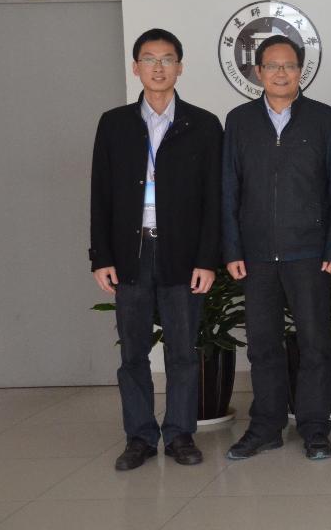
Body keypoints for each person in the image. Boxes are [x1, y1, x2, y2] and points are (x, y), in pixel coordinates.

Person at [90, 28, 222, 471]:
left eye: (167, 59)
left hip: (181, 254)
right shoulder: (115, 124)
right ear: (136, 67)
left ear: (180, 67)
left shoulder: (203, 124)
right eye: (149, 59)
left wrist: (207, 259)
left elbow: (214, 199)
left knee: (182, 351)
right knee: (133, 352)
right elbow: (100, 194)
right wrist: (101, 257)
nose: (158, 67)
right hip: (131, 252)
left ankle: (180, 434)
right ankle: (140, 437)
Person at [221, 36, 331, 461]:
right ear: (258, 72)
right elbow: (229, 188)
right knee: (262, 345)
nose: (281, 73)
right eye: (272, 66)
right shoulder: (239, 121)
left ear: (300, 71)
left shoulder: (325, 120)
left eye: (289, 65)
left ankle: (315, 428)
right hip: (256, 254)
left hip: (309, 252)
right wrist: (232, 249)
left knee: (314, 344)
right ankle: (266, 427)